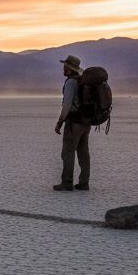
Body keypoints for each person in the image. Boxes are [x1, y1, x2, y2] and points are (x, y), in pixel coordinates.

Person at [53, 54, 90, 191]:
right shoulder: (82, 81)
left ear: (69, 68)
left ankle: (67, 182)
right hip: (85, 122)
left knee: (68, 152)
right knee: (83, 152)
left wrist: (60, 122)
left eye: (65, 66)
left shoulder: (71, 82)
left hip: (73, 122)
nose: (63, 68)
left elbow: (67, 104)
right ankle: (84, 182)